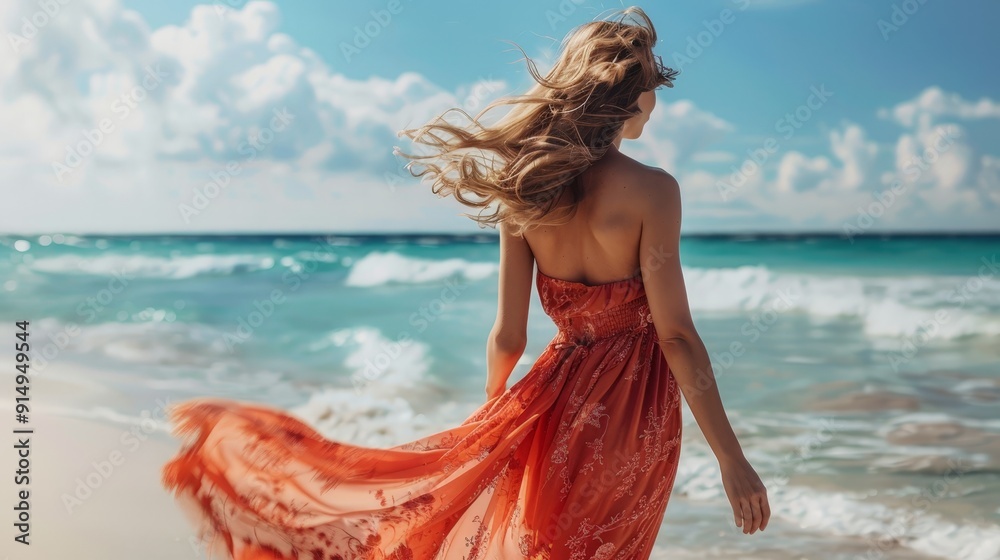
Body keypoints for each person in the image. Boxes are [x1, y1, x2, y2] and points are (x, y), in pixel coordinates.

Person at [161, 6, 769, 559]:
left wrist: (494, 413)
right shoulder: (655, 191)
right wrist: (731, 459)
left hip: (550, 405)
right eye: (651, 84)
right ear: (629, 95)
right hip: (634, 414)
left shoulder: (525, 188)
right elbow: (678, 337)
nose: (655, 98)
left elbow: (508, 334)